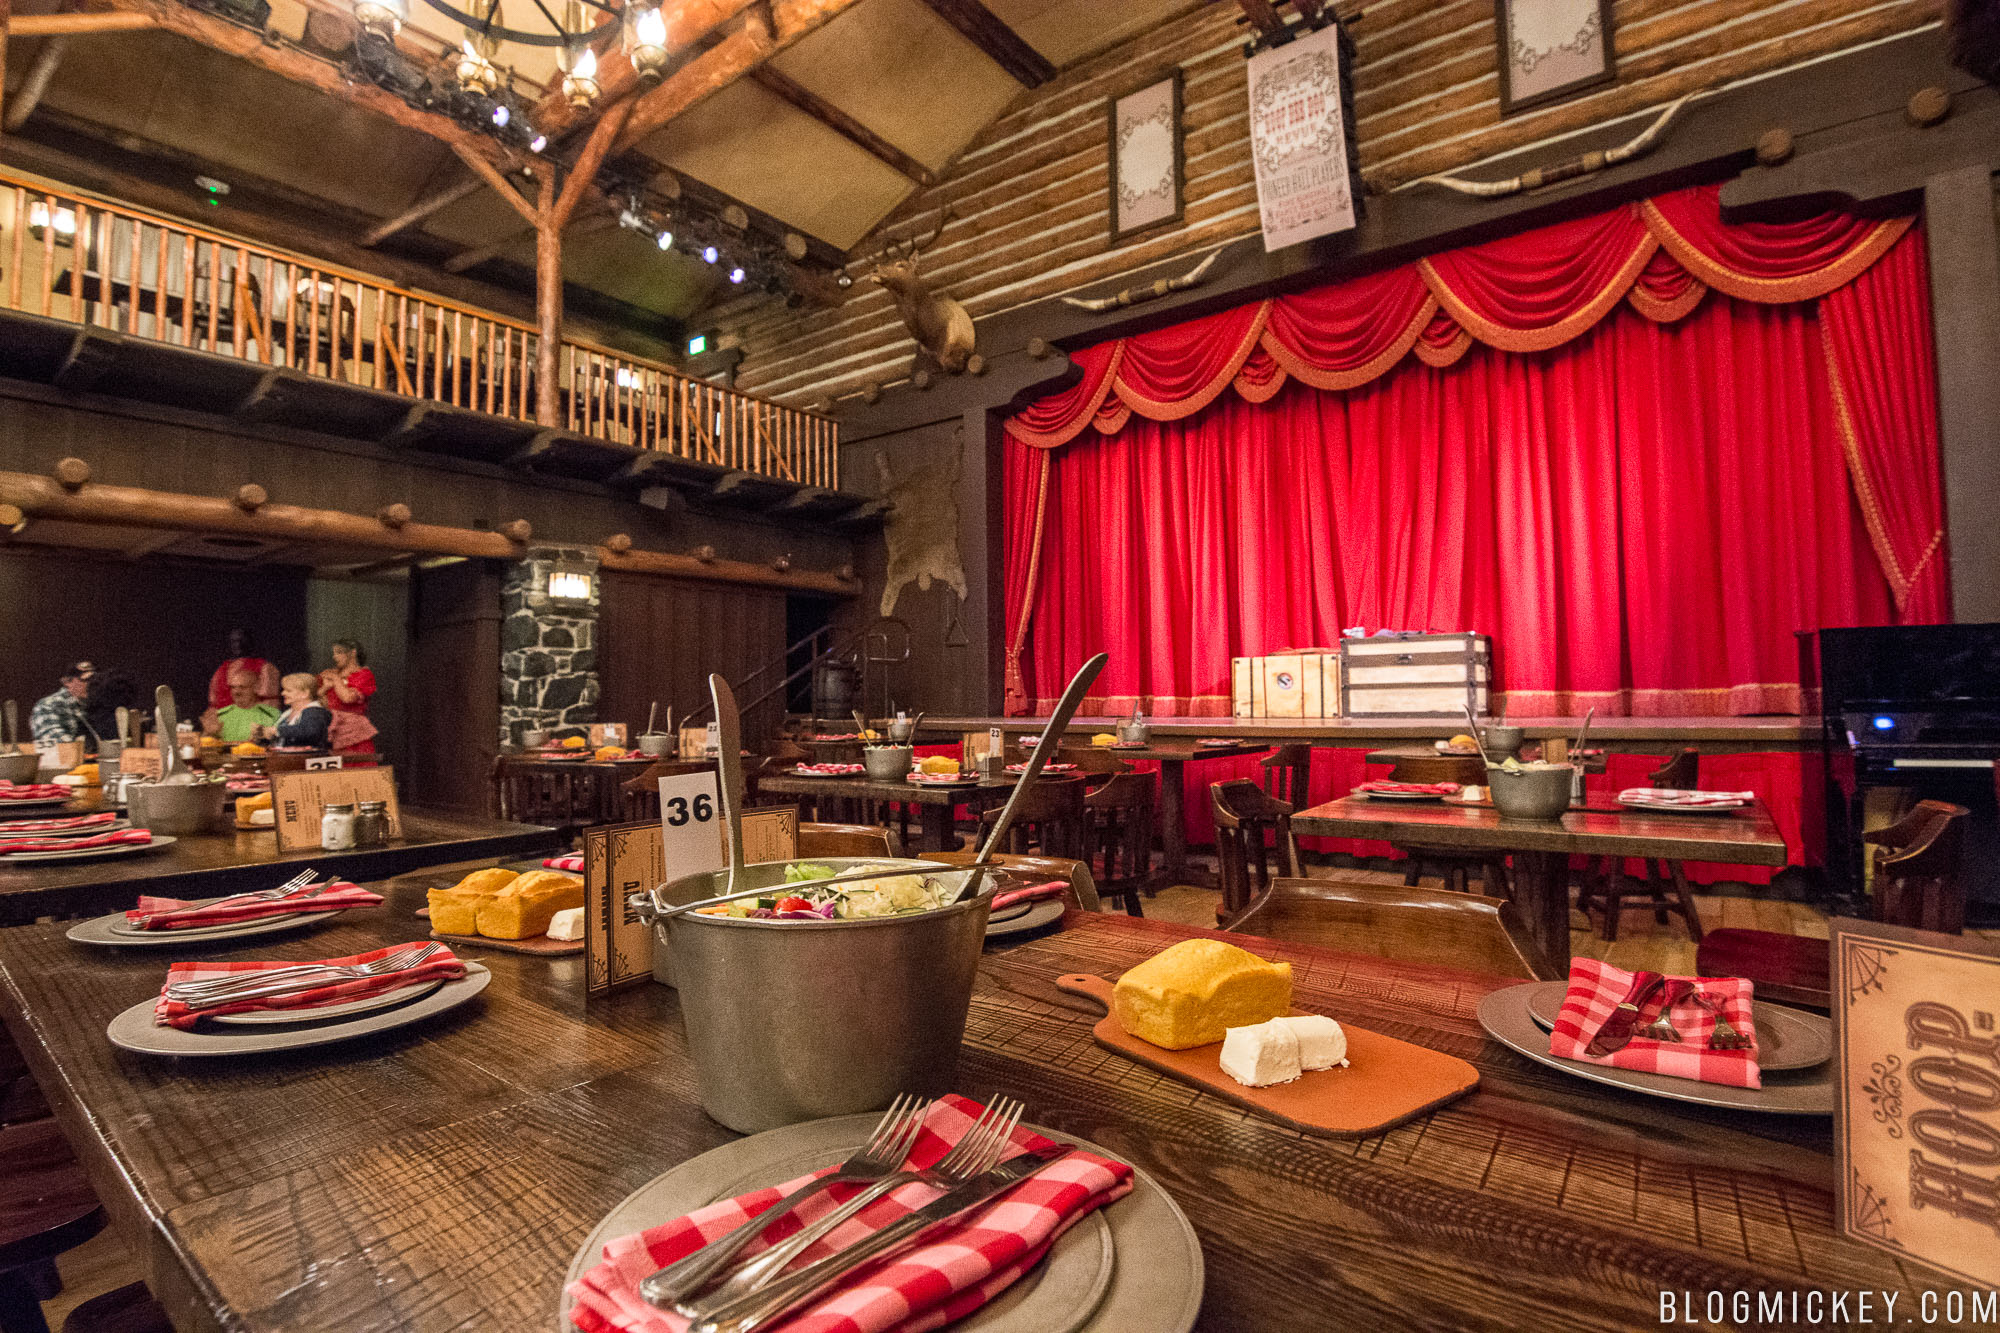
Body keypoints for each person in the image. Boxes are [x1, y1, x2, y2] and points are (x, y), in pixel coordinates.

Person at [318, 638, 379, 754]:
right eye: (334, 653)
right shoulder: (330, 673)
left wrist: (336, 680)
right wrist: (325, 687)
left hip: (354, 733)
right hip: (332, 729)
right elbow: (314, 699)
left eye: (339, 652)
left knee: (355, 766)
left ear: (353, 652)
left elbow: (347, 698)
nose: (334, 657)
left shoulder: (364, 675)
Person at [208, 629, 280, 711]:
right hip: (224, 721)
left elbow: (270, 702)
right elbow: (213, 703)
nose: (238, 645)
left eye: (241, 641)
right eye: (234, 641)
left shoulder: (264, 667)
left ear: (249, 642)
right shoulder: (221, 670)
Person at [204, 671, 279, 744]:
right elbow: (206, 745)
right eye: (233, 687)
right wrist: (209, 733)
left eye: (242, 687)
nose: (236, 692)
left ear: (255, 688)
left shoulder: (273, 714)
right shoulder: (219, 715)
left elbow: (280, 744)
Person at [260, 673, 331, 750]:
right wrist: (263, 734)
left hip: (305, 759)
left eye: (288, 690)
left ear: (305, 694)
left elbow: (310, 731)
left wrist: (277, 730)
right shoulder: (287, 713)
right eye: (284, 690)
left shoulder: (315, 712)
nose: (283, 693)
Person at [30, 662, 94, 745]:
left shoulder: (95, 704)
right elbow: (57, 743)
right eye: (85, 680)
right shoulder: (49, 705)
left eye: (94, 679)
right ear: (67, 682)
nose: (91, 684)